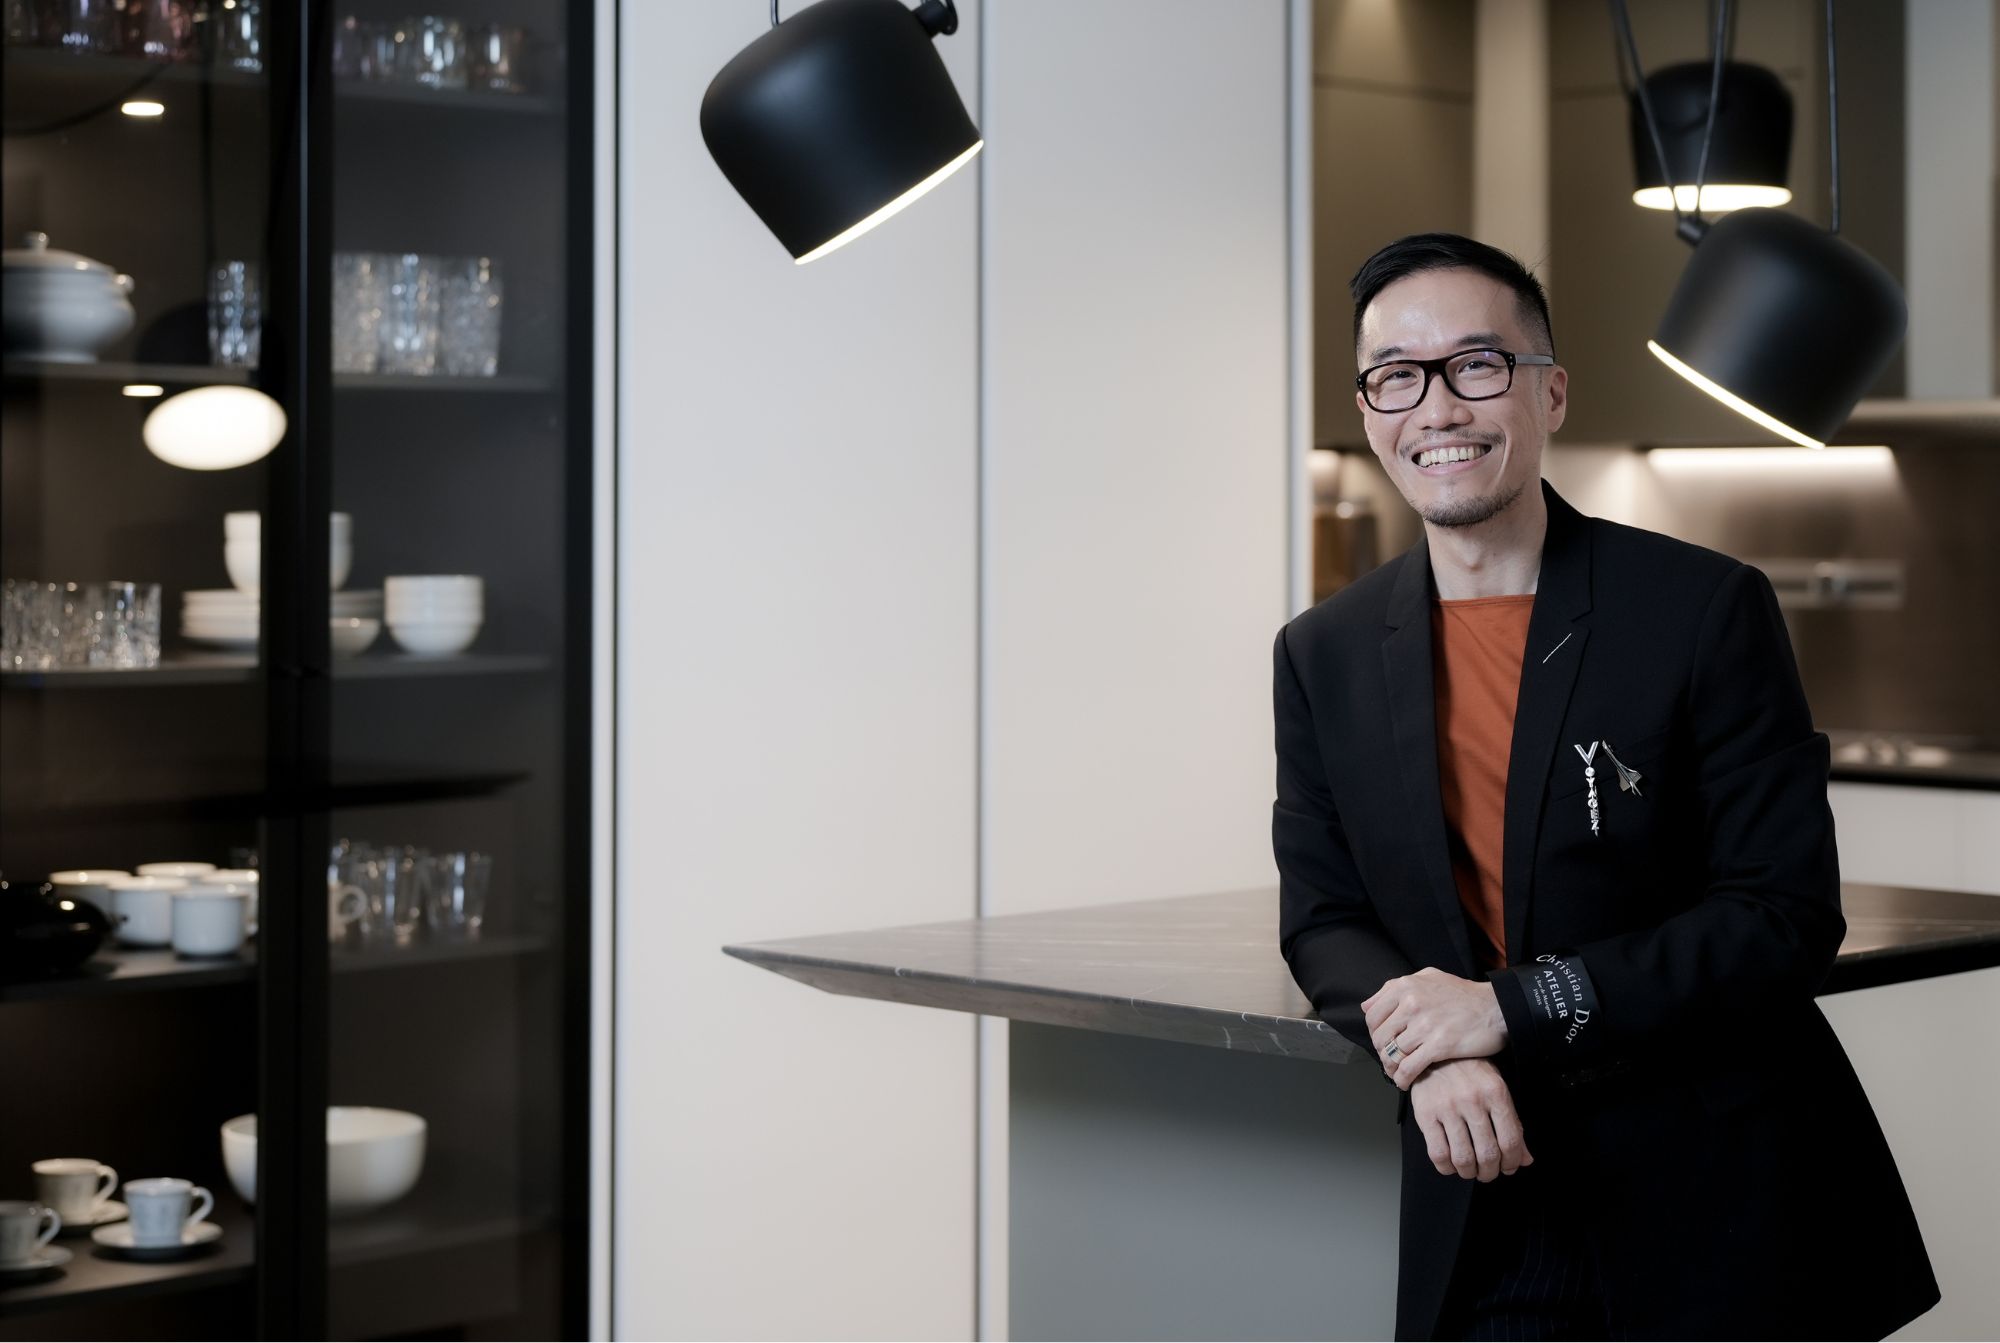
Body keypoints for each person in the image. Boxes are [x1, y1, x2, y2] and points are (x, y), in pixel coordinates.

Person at [1270, 233, 1939, 1341]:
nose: (1434, 406)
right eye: (1396, 374)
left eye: (1475, 365)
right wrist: (1424, 1053)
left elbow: (1780, 913)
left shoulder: (1699, 607)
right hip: (1484, 1188)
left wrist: (1505, 1006)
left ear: (1550, 393)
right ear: (1368, 404)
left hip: (1718, 1192)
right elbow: (1325, 917)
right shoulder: (1321, 650)